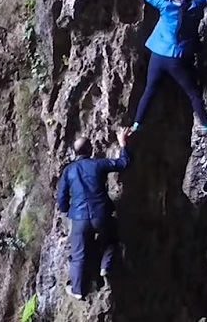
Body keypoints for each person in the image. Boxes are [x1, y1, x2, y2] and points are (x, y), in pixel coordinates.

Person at [131, 0, 207, 134]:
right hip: (176, 58)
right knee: (193, 93)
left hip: (158, 54)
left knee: (149, 90)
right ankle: (206, 125)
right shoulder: (195, 5)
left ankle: (137, 123)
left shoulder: (165, 4)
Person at [56, 128, 131, 300]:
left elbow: (61, 198)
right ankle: (105, 265)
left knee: (78, 254)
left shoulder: (68, 171)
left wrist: (69, 211)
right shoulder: (98, 164)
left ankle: (78, 290)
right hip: (101, 215)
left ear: (75, 153)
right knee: (111, 239)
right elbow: (123, 163)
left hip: (80, 219)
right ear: (90, 150)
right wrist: (122, 143)